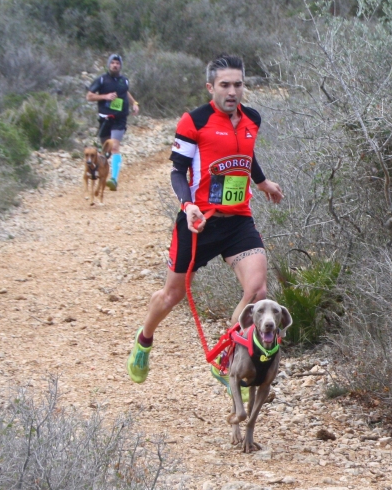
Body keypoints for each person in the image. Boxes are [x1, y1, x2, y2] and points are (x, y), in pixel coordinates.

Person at [127, 53, 284, 385]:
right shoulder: (194, 121)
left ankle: (228, 358)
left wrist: (261, 182)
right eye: (224, 85)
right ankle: (144, 339)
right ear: (210, 86)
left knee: (258, 291)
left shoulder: (252, 118)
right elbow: (177, 171)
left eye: (238, 85)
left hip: (238, 220)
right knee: (172, 296)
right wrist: (188, 206)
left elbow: (245, 153)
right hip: (198, 223)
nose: (232, 92)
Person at [86, 54, 139, 191]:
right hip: (105, 119)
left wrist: (134, 103)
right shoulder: (102, 80)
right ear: (109, 65)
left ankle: (114, 179)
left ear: (120, 66)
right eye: (113, 63)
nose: (115, 65)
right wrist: (105, 96)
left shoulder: (124, 80)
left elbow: (125, 92)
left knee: (115, 147)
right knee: (106, 152)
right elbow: (89, 96)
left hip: (120, 119)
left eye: (117, 63)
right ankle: (99, 174)